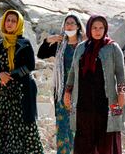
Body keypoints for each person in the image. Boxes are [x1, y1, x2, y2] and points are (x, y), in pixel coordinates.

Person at [64, 15, 125, 154]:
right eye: (94, 28)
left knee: (109, 133)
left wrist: (122, 93)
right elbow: (73, 73)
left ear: (105, 29)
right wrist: (67, 92)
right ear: (89, 29)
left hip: (108, 102)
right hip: (83, 103)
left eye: (101, 28)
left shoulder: (113, 47)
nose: (98, 31)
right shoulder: (81, 48)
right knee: (84, 139)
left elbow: (121, 73)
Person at [0, 10, 44, 154]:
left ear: (19, 24)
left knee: (26, 125)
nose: (10, 23)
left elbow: (30, 66)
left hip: (23, 90)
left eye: (13, 21)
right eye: (8, 20)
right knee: (6, 126)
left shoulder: (25, 44)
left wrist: (9, 76)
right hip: (6, 92)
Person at [37, 13, 85, 154]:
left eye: (72, 23)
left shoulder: (84, 45)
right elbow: (41, 54)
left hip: (80, 92)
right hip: (61, 93)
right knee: (63, 128)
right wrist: (47, 40)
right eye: (67, 23)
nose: (69, 26)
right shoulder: (59, 44)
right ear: (63, 26)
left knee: (78, 127)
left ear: (78, 26)